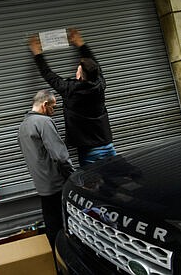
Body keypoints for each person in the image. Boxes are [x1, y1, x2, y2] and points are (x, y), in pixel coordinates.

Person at [28, 28, 116, 166]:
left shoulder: (70, 90)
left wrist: (37, 53)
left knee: (93, 186)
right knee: (115, 182)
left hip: (89, 151)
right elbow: (95, 65)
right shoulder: (100, 84)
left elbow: (49, 75)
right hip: (108, 145)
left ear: (80, 75)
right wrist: (81, 43)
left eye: (78, 68)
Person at [17, 90, 75, 251]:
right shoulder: (44, 122)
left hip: (42, 187)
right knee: (66, 226)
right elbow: (59, 155)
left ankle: (57, 258)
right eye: (53, 107)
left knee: (51, 225)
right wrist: (73, 175)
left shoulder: (23, 126)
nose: (54, 111)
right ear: (45, 105)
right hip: (57, 184)